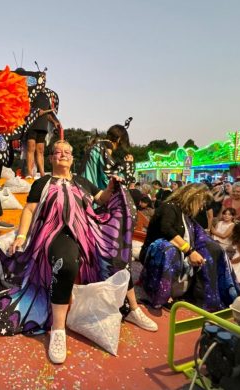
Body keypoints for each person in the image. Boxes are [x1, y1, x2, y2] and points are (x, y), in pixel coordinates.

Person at [0, 140, 156, 364]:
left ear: (72, 158)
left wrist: (111, 187)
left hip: (89, 233)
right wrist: (21, 235)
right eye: (57, 152)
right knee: (65, 263)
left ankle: (134, 309)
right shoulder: (42, 182)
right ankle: (58, 330)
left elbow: (102, 199)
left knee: (115, 255)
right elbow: (29, 209)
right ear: (50, 158)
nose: (63, 155)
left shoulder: (82, 181)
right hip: (56, 234)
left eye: (67, 152)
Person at [80, 120, 158, 333]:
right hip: (101, 213)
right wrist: (129, 165)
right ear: (119, 140)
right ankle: (130, 307)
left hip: (92, 209)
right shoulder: (103, 151)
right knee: (118, 258)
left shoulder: (92, 150)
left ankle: (123, 305)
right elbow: (116, 179)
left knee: (113, 258)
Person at [140, 183, 240, 311]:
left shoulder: (185, 213)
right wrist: (190, 251)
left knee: (214, 249)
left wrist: (215, 249)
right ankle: (161, 296)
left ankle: (205, 294)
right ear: (192, 198)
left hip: (178, 254)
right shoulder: (168, 207)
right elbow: (167, 230)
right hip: (156, 254)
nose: (202, 207)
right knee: (168, 249)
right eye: (201, 202)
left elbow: (200, 236)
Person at [25, 90, 59, 178]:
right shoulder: (32, 93)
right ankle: (29, 173)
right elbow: (25, 108)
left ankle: (42, 174)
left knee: (40, 150)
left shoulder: (46, 97)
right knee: (31, 148)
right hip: (32, 125)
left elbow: (47, 114)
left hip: (42, 127)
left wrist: (54, 122)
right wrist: (35, 111)